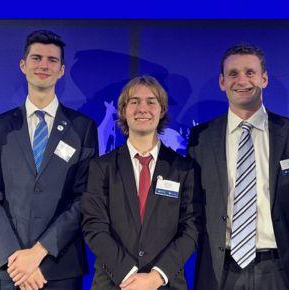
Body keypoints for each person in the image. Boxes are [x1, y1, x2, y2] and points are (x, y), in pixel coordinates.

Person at [0, 30, 98, 290]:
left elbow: (84, 197)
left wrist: (38, 252)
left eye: (52, 60)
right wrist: (16, 258)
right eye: (36, 58)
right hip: (10, 268)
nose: (44, 65)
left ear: (62, 70)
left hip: (60, 266)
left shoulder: (83, 128)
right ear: (23, 65)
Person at [188, 43, 289, 290]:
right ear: (222, 82)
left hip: (278, 269)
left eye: (250, 72)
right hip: (221, 269)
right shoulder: (201, 138)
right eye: (233, 74)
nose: (242, 80)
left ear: (264, 78)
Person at [82, 76, 201, 290]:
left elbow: (191, 229)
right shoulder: (102, 167)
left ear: (162, 110)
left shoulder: (184, 169)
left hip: (166, 284)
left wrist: (155, 277)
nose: (142, 109)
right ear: (123, 111)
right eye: (134, 102)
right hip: (114, 283)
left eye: (151, 102)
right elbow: (94, 226)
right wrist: (128, 275)